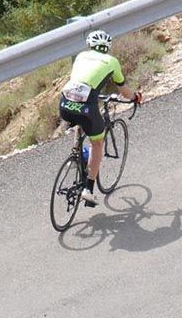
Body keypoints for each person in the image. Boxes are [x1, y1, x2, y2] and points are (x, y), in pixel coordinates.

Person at [59, 30, 142, 206]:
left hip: (65, 104)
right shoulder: (112, 62)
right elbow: (124, 91)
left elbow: (82, 82)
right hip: (87, 107)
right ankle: (88, 189)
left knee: (78, 119)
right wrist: (135, 97)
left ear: (90, 45)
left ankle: (77, 154)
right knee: (97, 142)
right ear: (107, 48)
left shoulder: (81, 56)